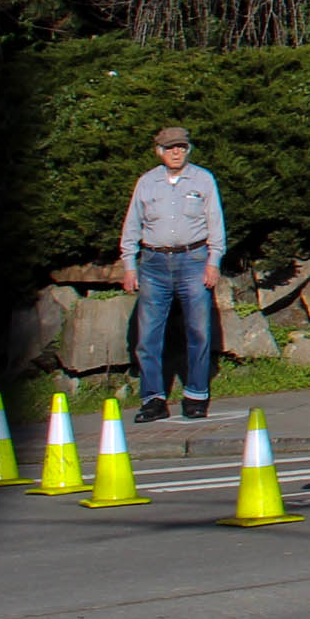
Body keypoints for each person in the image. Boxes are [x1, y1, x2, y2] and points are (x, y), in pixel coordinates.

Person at [118, 125, 227, 424]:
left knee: (199, 331)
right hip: (153, 263)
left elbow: (215, 223)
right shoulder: (146, 183)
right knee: (149, 335)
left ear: (188, 149)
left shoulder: (203, 180)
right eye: (170, 148)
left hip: (193, 259)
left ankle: (196, 396)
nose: (176, 152)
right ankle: (153, 399)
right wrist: (130, 265)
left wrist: (213, 261)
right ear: (159, 151)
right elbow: (132, 226)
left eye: (181, 147)